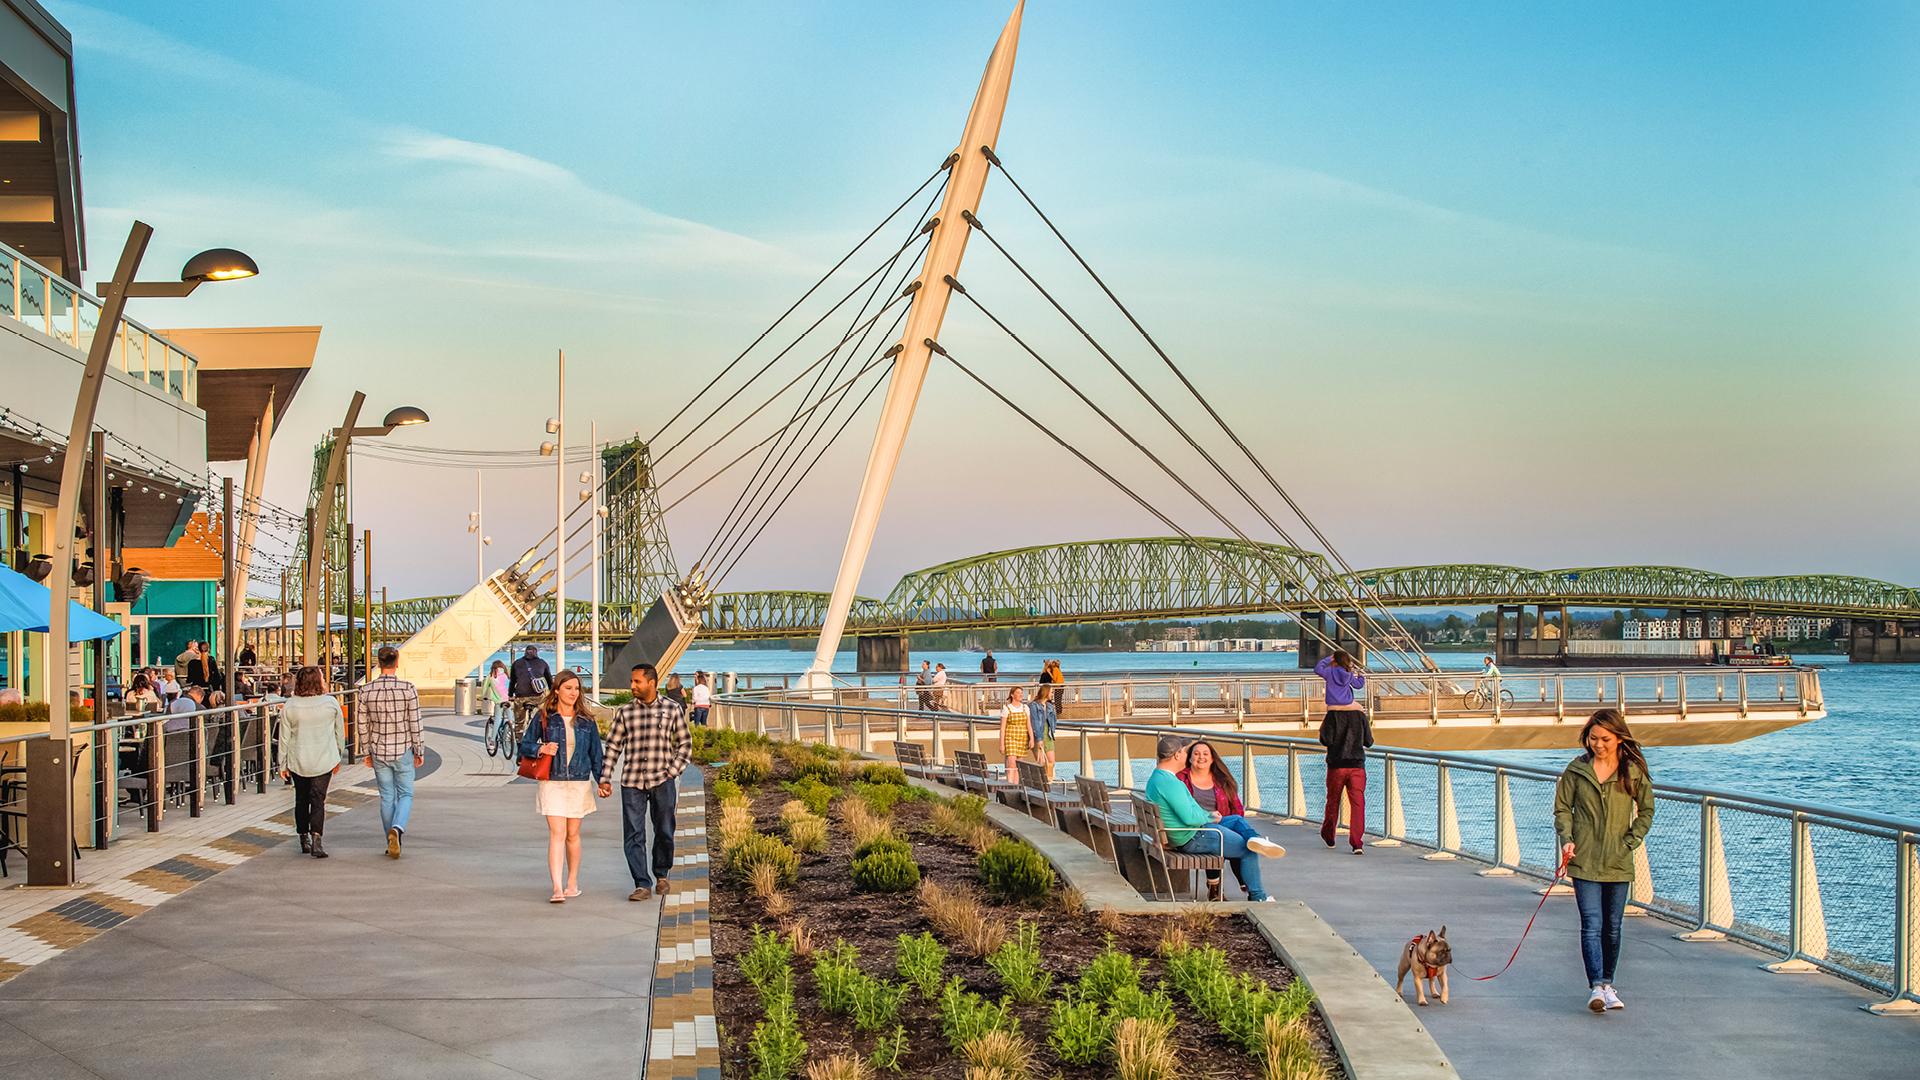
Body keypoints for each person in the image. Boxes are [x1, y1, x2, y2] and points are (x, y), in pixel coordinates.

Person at [1554, 709, 1654, 1013]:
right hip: (1584, 860)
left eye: (1605, 739)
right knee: (1591, 925)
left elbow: (1647, 810)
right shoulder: (1576, 770)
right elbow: (1562, 809)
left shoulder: (1632, 771)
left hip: (1618, 860)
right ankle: (1596, 987)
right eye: (1593, 738)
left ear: (1619, 738)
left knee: (1613, 927)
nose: (1598, 744)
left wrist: (1630, 840)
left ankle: (1608, 984)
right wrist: (1567, 839)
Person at [1145, 735, 1284, 901]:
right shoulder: (1170, 783)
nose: (1185, 754)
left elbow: (1191, 810)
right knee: (1248, 850)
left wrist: (1208, 815)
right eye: (1184, 751)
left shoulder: (1158, 778)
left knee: (1236, 820)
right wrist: (1208, 818)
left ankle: (1257, 839)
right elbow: (1190, 818)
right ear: (1177, 755)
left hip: (1188, 831)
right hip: (1192, 836)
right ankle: (1258, 898)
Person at [599, 662, 691, 901]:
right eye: (631, 681)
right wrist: (605, 777)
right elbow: (613, 747)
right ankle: (642, 883)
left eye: (637, 681)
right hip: (632, 781)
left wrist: (673, 771)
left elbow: (684, 744)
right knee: (633, 834)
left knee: (664, 830)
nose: (632, 686)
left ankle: (661, 874)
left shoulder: (672, 709)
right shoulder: (625, 712)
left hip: (662, 779)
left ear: (652, 683)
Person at [522, 669, 604, 903]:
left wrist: (602, 781)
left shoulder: (587, 721)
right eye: (568, 688)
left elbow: (596, 754)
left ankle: (572, 882)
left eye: (577, 688)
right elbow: (525, 745)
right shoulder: (545, 717)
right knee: (557, 834)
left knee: (573, 834)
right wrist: (541, 748)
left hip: (579, 782)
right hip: (553, 782)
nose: (573, 693)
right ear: (556, 690)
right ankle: (557, 887)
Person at [361, 646, 424, 859]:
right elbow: (415, 722)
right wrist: (419, 749)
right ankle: (397, 829)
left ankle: (390, 839)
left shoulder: (366, 690)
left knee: (386, 796)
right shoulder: (408, 688)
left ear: (379, 663)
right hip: (403, 747)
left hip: (379, 749)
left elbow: (363, 724)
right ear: (397, 662)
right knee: (405, 793)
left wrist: (365, 751)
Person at [278, 666, 345, 859]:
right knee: (318, 799)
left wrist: (282, 763)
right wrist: (338, 755)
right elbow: (339, 733)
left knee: (301, 798)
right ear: (319, 681)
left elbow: (284, 738)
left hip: (298, 759)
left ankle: (303, 836)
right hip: (324, 758)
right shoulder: (330, 703)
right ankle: (317, 839)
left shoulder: (290, 706)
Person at [1314, 649, 1371, 854]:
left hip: (1336, 764)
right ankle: (1357, 843)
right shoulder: (1359, 715)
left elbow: (1324, 739)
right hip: (1357, 765)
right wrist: (1359, 674)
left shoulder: (1330, 674)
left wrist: (1329, 658)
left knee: (1333, 800)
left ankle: (1329, 835)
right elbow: (1369, 741)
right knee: (1358, 805)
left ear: (1334, 662)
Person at [997, 686, 1032, 776]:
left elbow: (1028, 725)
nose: (1020, 695)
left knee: (1019, 765)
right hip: (1010, 737)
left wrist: (1031, 738)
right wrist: (1001, 744)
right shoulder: (1007, 708)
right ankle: (1010, 784)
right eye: (1018, 693)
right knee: (1011, 764)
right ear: (1012, 695)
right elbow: (1002, 728)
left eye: (1021, 693)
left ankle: (1017, 786)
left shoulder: (1025, 708)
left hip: (1022, 738)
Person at [1028, 683, 1059, 781]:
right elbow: (1035, 722)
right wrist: (1039, 738)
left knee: (1051, 762)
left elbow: (1053, 720)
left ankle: (1048, 781)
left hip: (1048, 735)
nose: (1052, 694)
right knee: (1041, 762)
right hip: (1038, 734)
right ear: (1046, 693)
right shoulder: (1033, 705)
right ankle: (1042, 783)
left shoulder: (1050, 706)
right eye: (1051, 692)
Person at [483, 659, 511, 729]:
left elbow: (485, 688)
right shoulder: (506, 675)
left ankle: (492, 739)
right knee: (511, 719)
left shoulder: (490, 677)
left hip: (498, 701)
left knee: (497, 720)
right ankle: (513, 736)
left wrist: (483, 697)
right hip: (508, 699)